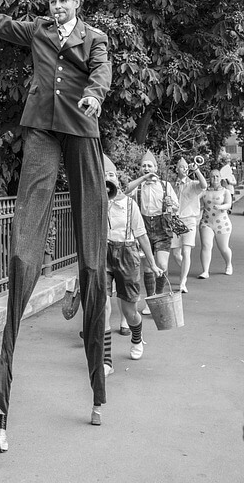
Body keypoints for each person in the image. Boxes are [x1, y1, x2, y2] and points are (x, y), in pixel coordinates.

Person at [0, 0, 112, 450]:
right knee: (24, 246)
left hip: (81, 129)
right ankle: (5, 376)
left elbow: (101, 72)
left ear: (77, 3)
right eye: (52, 1)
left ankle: (98, 384)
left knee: (92, 250)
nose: (57, 7)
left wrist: (95, 96)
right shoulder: (36, 29)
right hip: (40, 126)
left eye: (64, 1)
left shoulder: (95, 36)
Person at [103, 155, 163, 376]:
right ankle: (106, 360)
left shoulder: (130, 204)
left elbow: (142, 235)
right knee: (103, 307)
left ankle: (137, 337)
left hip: (128, 255)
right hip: (104, 254)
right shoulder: (97, 201)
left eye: (110, 175)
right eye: (102, 175)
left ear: (117, 178)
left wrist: (153, 263)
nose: (107, 179)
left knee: (129, 311)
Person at [125, 151, 178, 314]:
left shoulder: (165, 185)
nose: (146, 168)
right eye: (144, 166)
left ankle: (159, 297)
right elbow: (125, 190)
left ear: (156, 168)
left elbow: (176, 207)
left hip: (162, 229)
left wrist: (170, 205)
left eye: (150, 165)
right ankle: (150, 300)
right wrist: (143, 178)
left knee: (161, 265)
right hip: (144, 229)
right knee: (148, 267)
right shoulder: (139, 186)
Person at [170, 157, 207, 293]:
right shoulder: (172, 185)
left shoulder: (193, 184)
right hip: (176, 220)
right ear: (176, 169)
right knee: (175, 253)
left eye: (186, 166)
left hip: (190, 220)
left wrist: (196, 169)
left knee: (186, 251)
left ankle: (182, 281)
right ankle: (185, 269)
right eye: (181, 166)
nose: (184, 168)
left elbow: (204, 185)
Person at [198, 169, 233, 278]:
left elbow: (228, 204)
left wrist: (221, 207)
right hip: (206, 222)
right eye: (212, 176)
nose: (215, 179)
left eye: (217, 176)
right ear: (209, 178)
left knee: (223, 248)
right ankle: (205, 271)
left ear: (220, 177)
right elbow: (196, 203)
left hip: (222, 223)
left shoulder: (225, 191)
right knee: (206, 246)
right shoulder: (204, 191)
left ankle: (228, 264)